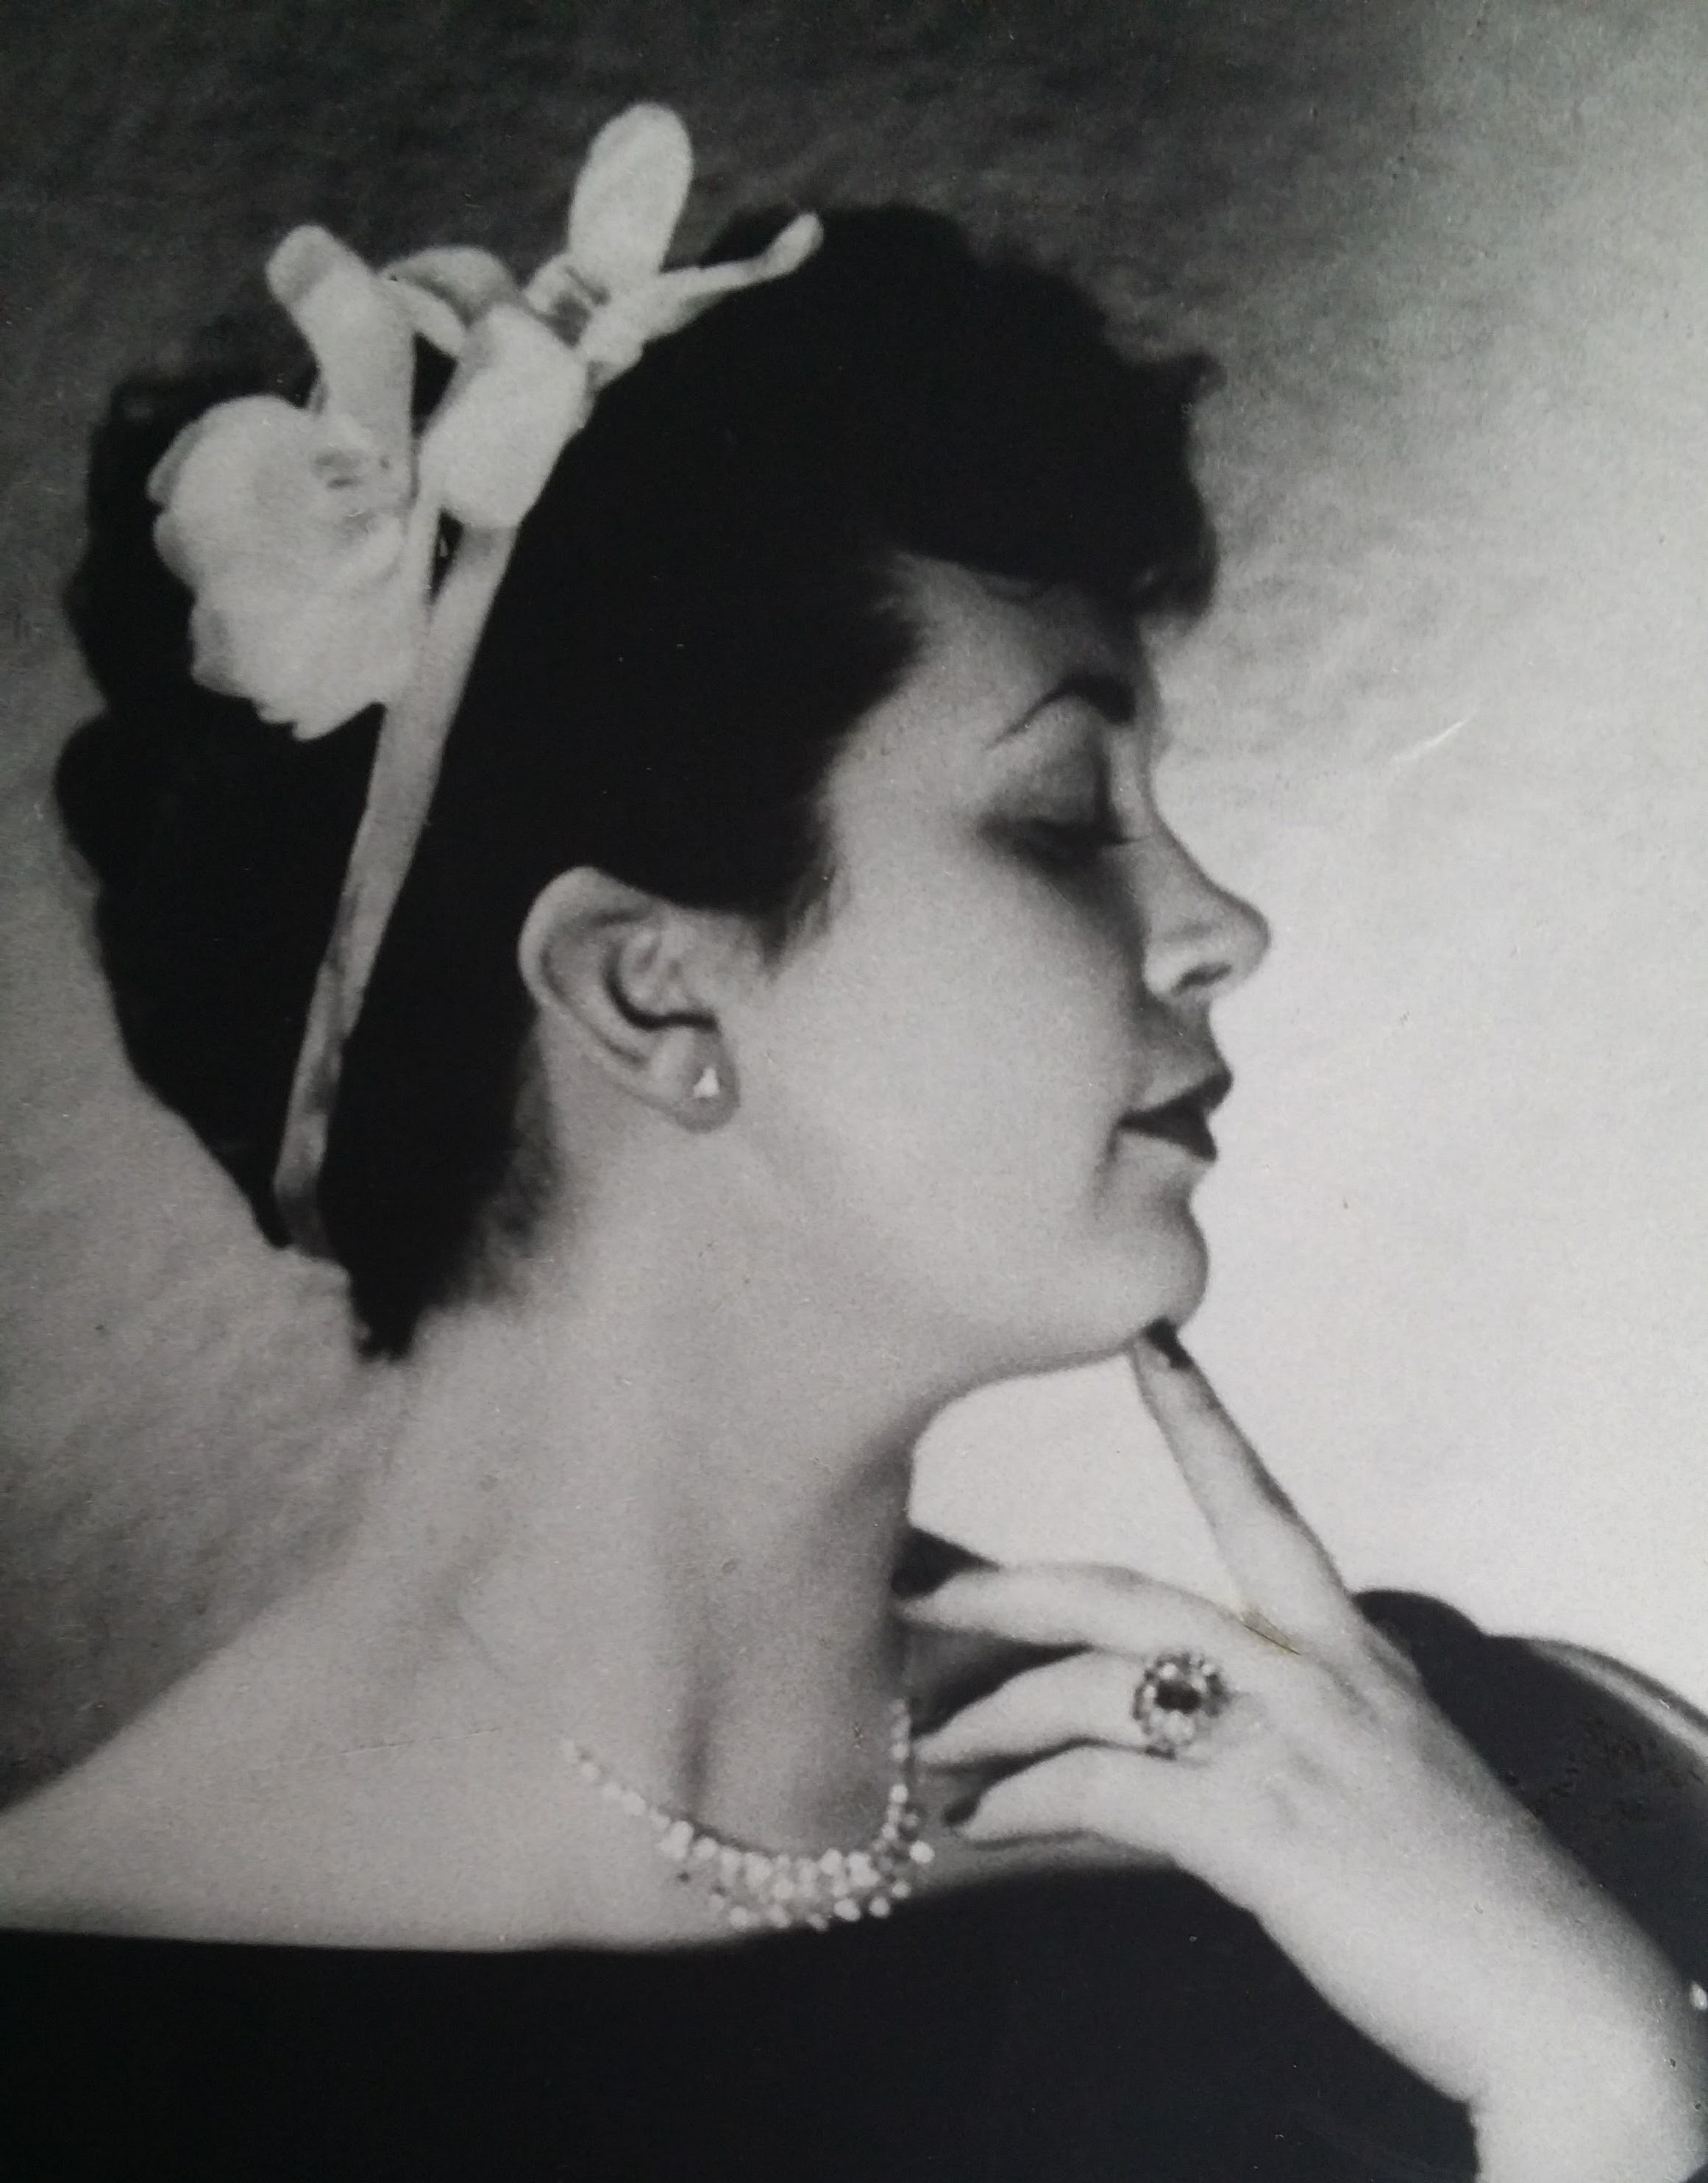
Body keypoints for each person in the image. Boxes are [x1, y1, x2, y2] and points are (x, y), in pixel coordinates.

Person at [1, 104, 1704, 2183]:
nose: (1222, 927)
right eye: (1061, 820)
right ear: (651, 996)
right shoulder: (78, 2057)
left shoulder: (1462, 1814)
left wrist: (1602, 2088)